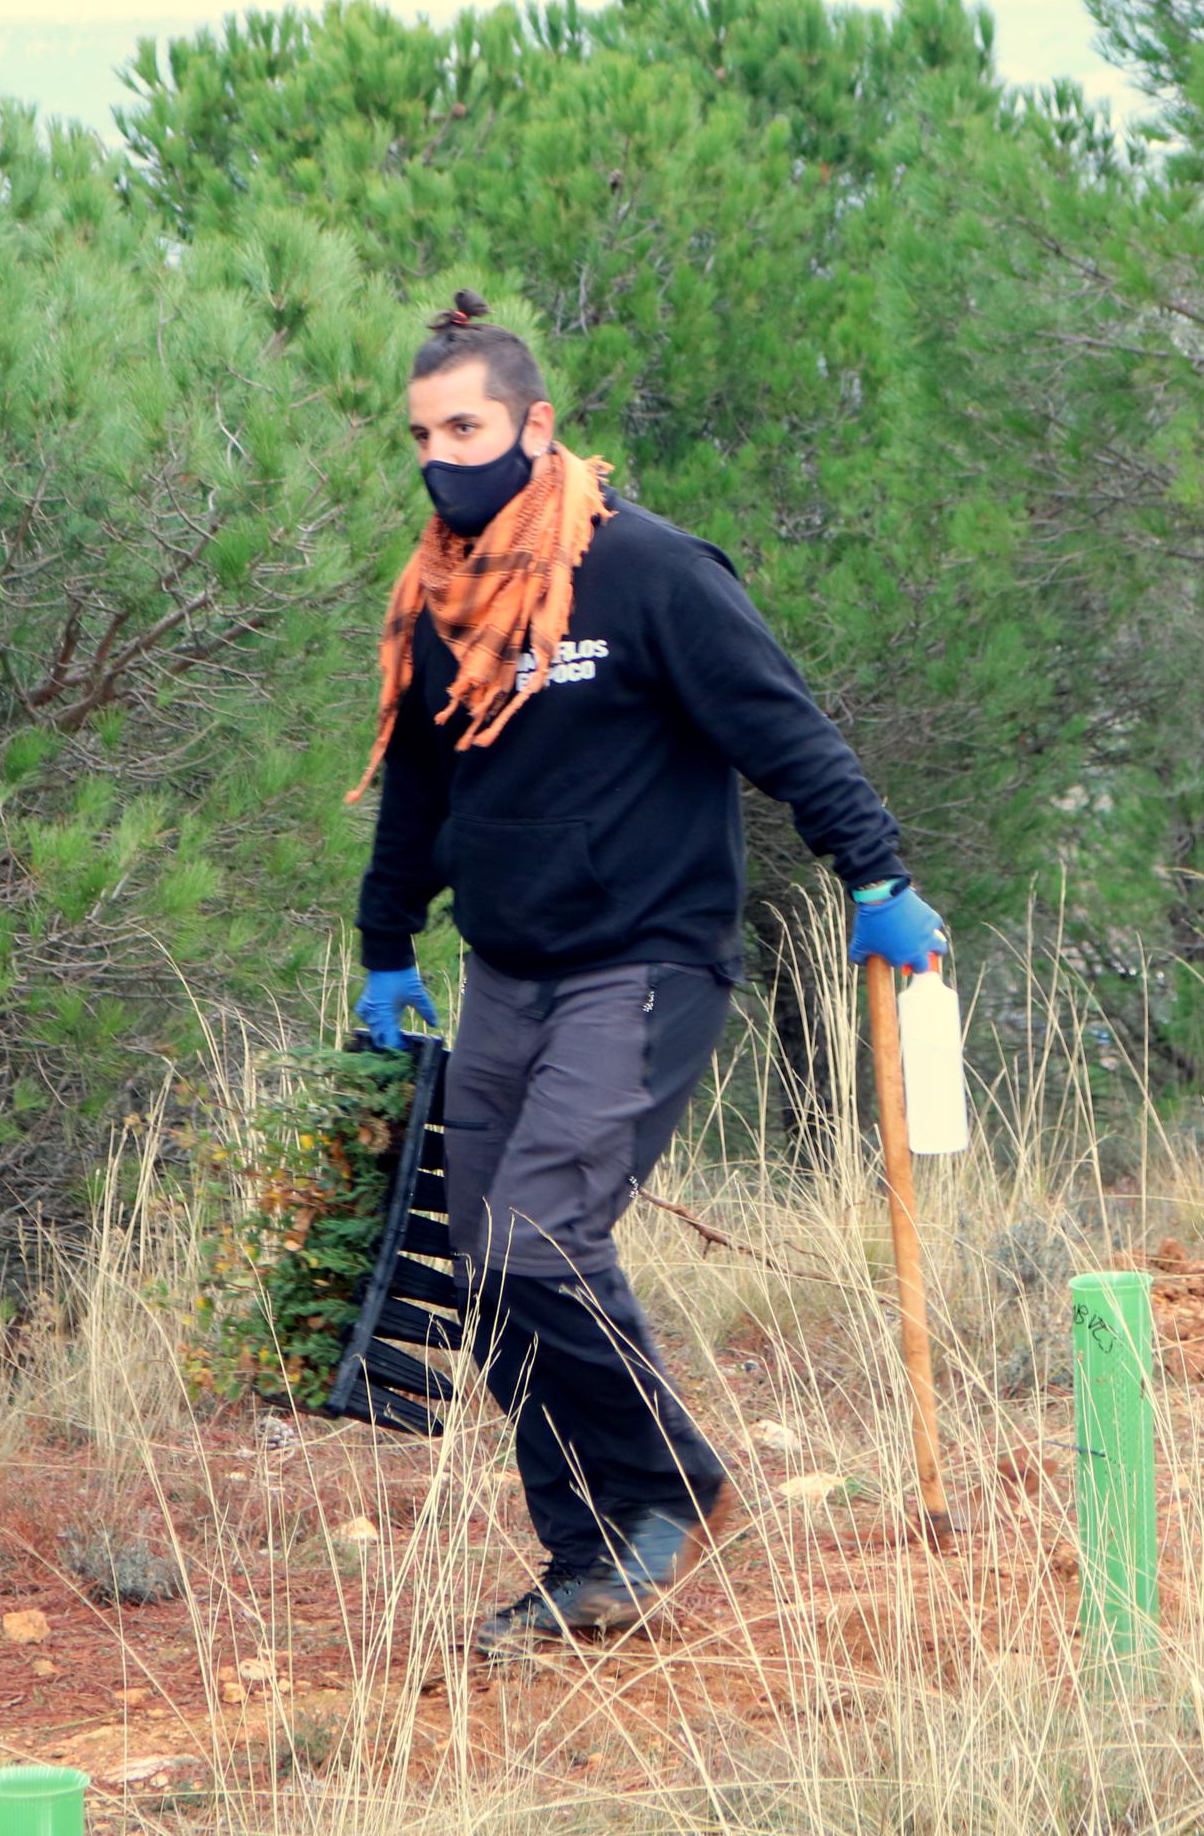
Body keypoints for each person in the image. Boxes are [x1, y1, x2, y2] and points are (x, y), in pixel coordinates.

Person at [346, 289, 947, 1655]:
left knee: (540, 1238)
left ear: (536, 425)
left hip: (650, 963)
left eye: (470, 427)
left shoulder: (652, 571)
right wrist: (385, 947)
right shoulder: (443, 600)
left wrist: (878, 876)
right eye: (425, 436)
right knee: (487, 1272)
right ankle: (591, 1553)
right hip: (509, 968)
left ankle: (676, 1487)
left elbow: (787, 733)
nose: (445, 458)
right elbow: (419, 792)